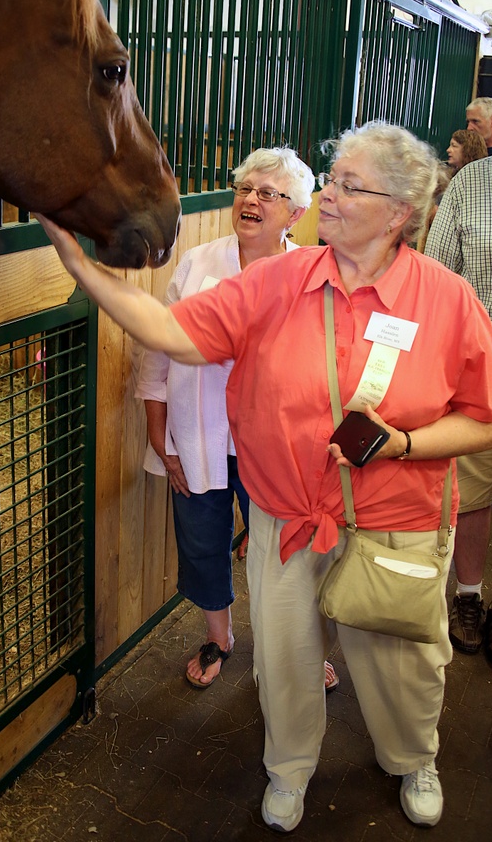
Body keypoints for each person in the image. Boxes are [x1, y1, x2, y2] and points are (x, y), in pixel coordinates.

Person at [34, 121, 492, 832]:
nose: (328, 196)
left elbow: (483, 418)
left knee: (402, 663)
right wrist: (80, 268)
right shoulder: (276, 282)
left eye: (348, 184)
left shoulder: (446, 300)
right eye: (331, 177)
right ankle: (288, 769)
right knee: (284, 659)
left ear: (398, 211)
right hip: (285, 514)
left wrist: (402, 441)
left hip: (397, 520)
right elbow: (169, 332)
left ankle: (412, 755)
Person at [135, 148, 338, 691]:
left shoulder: (311, 275)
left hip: (274, 441)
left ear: (296, 214)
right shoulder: (198, 263)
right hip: (198, 431)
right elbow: (157, 349)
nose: (251, 200)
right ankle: (220, 637)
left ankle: (296, 645)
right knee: (201, 538)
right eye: (245, 188)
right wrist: (159, 432)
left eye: (268, 194)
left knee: (284, 546)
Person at [425, 143, 492, 666]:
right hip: (480, 366)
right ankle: (468, 597)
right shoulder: (473, 183)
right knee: (473, 491)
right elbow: (436, 271)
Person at [416, 130, 485, 253]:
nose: (448, 150)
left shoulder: (476, 184)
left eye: (454, 146)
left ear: (468, 149)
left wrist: (435, 213)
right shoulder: (446, 176)